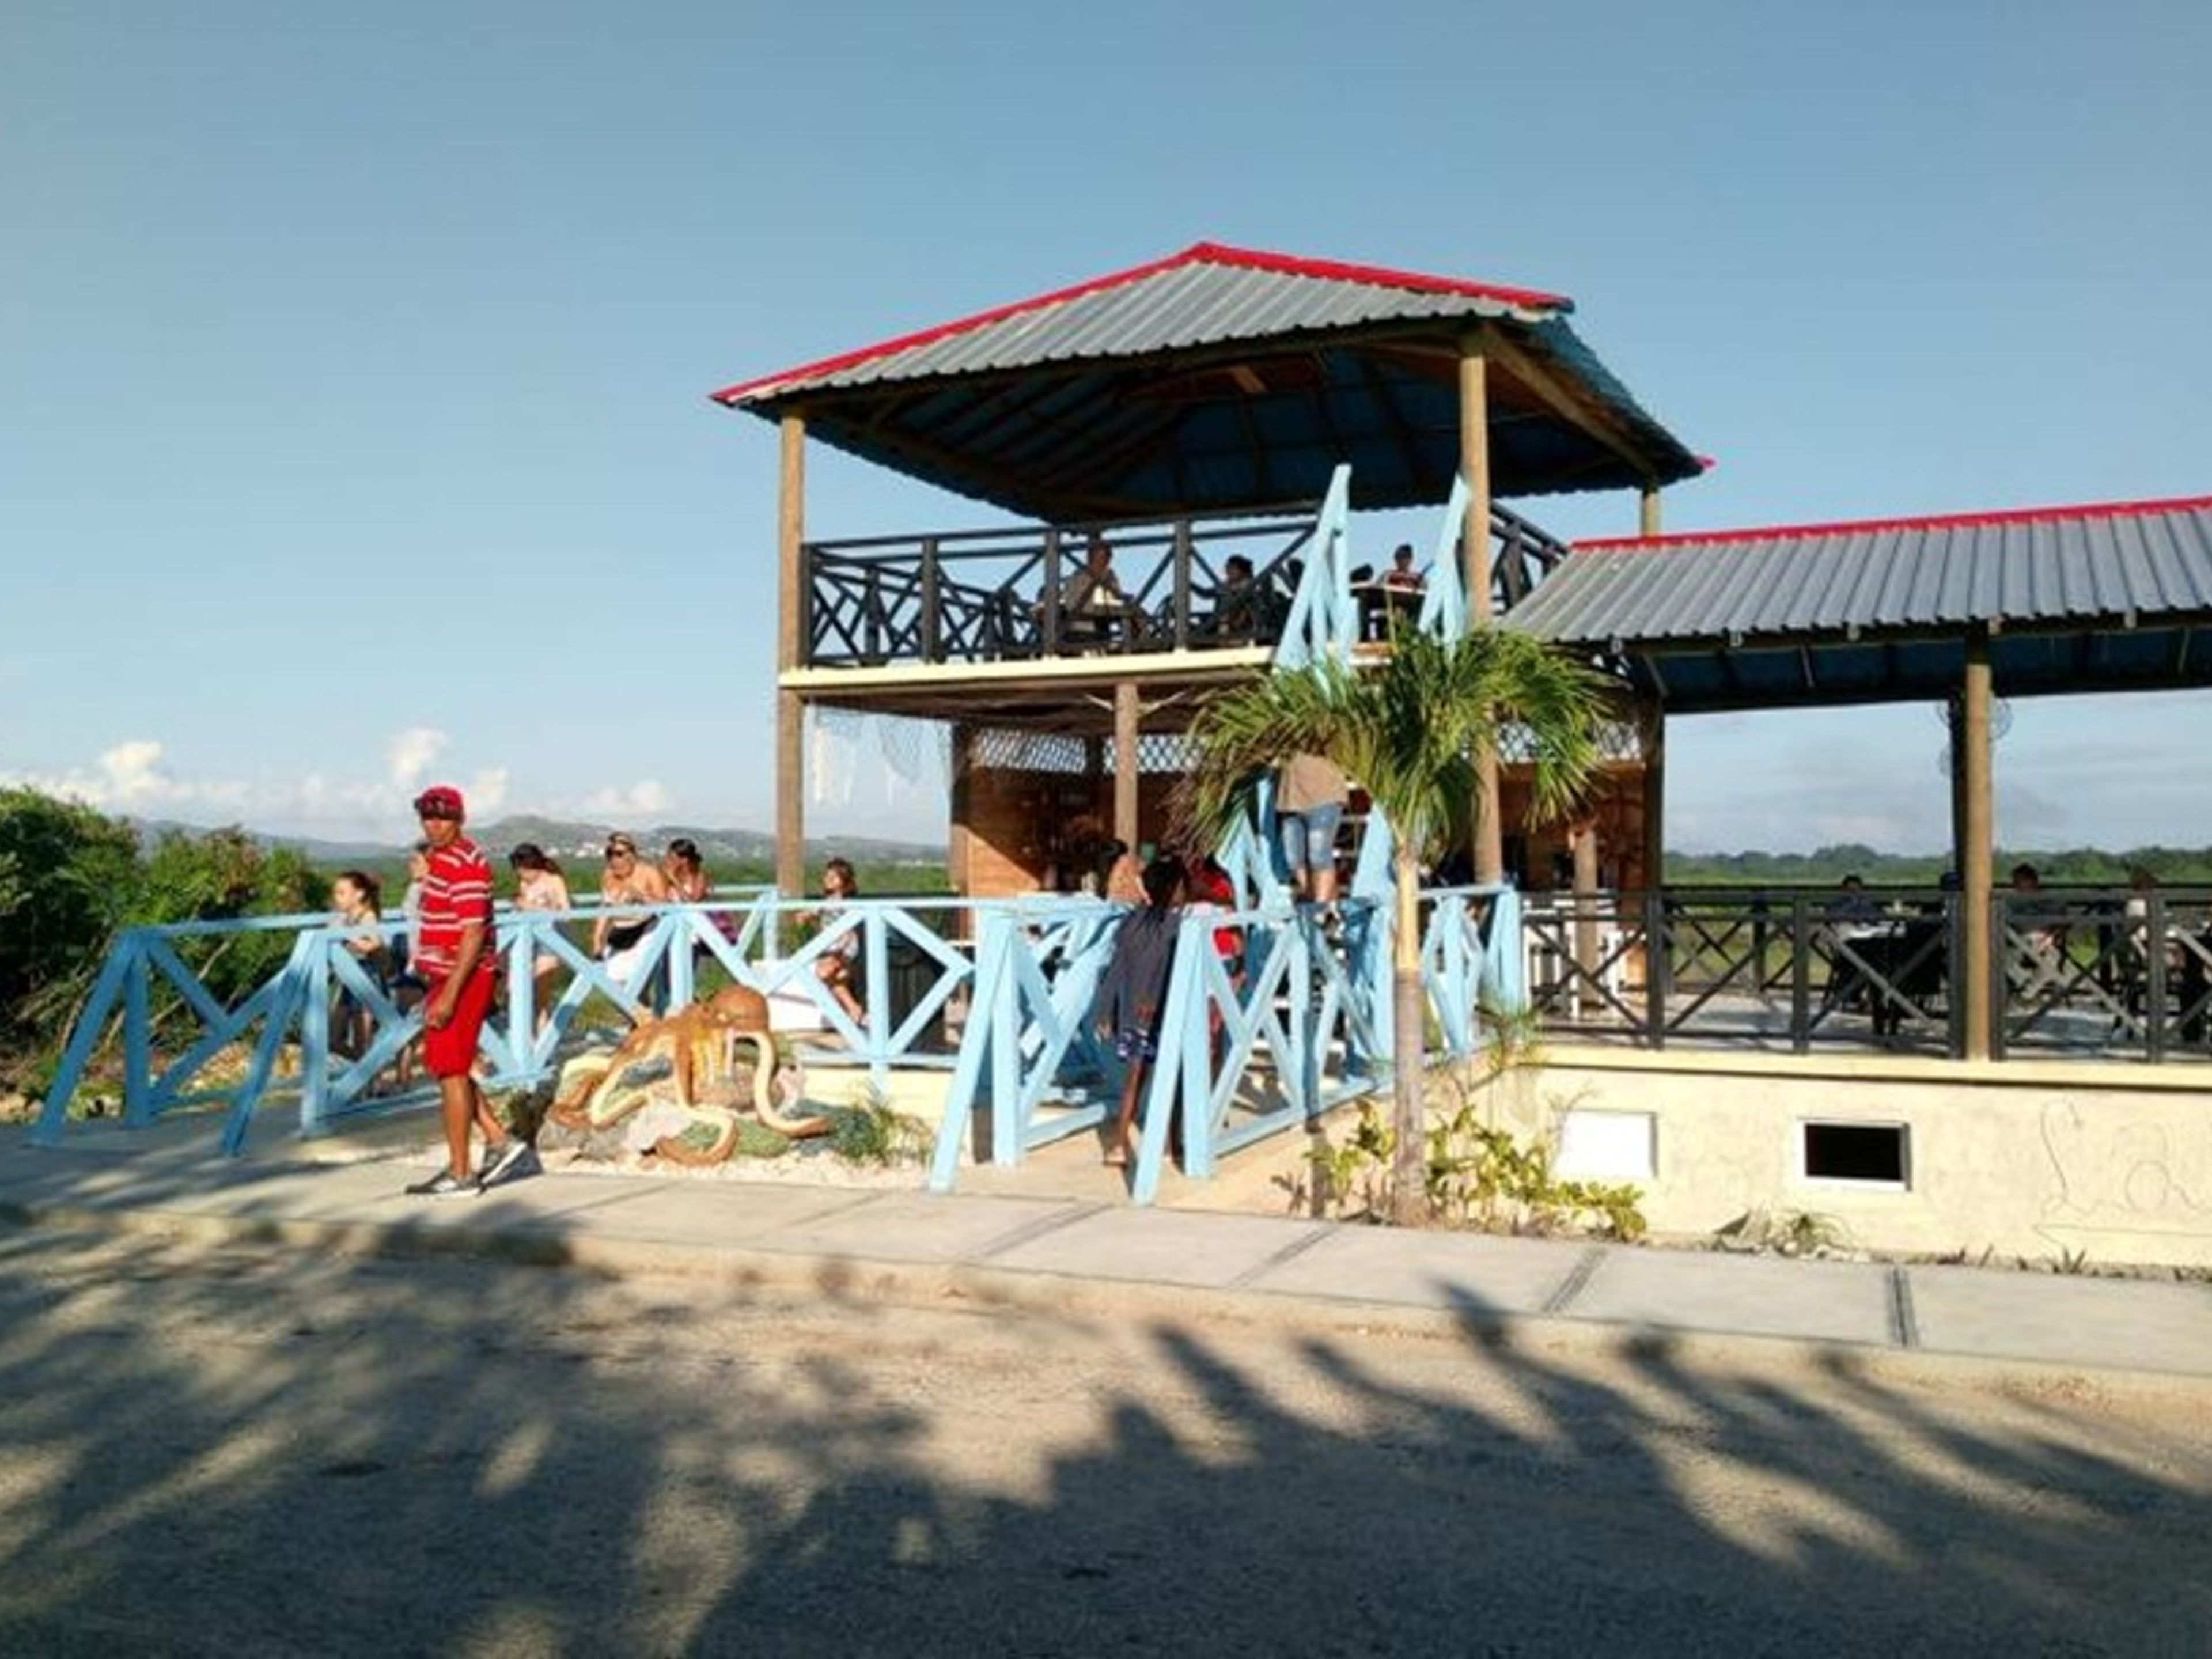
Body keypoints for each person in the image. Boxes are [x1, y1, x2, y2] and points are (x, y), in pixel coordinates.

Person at [403, 786, 535, 1198]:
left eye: (443, 818)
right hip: (444, 975)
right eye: (428, 817)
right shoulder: (439, 861)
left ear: (460, 820)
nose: (434, 824)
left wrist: (449, 994)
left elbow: (473, 933)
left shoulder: (464, 863)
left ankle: (461, 1174)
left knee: (452, 1073)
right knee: (449, 1066)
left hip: (463, 977)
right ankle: (499, 1140)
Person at [1091, 855, 1185, 1169]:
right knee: (1168, 1080)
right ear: (1171, 890)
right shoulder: (1176, 926)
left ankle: (1119, 1144)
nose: (1183, 894)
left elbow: (1116, 969)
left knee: (1135, 1080)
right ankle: (1170, 1144)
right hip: (1161, 1013)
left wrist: (1105, 1009)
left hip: (1133, 1012)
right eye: (1180, 888)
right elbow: (1165, 970)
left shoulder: (1131, 922)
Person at [593, 831, 672, 1003]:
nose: (615, 859)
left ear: (632, 855)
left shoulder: (649, 873)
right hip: (619, 930)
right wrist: (597, 941)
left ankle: (642, 1022)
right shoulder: (608, 875)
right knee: (611, 982)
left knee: (638, 980)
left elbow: (665, 905)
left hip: (646, 928)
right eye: (610, 854)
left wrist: (641, 896)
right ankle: (639, 1017)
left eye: (620, 854)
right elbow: (604, 909)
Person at [509, 843, 570, 1034]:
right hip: (528, 941)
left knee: (540, 993)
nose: (521, 875)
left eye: (524, 870)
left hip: (550, 941)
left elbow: (566, 912)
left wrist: (533, 908)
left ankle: (542, 1040)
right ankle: (530, 1038)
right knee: (520, 990)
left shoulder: (554, 880)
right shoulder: (525, 884)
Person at [329, 870, 389, 1060]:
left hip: (366, 978)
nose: (337, 898)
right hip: (348, 979)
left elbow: (375, 943)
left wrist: (347, 936)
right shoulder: (344, 918)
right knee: (333, 1040)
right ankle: (367, 1073)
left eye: (342, 893)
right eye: (335, 893)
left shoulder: (367, 915)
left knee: (362, 1037)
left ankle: (368, 1080)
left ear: (359, 894)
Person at [1277, 752, 1349, 906]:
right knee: (1294, 860)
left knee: (1319, 856)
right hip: (1291, 799)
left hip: (1324, 794)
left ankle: (1320, 910)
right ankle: (1322, 908)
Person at [812, 857, 865, 1024]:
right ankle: (853, 1012)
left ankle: (853, 1010)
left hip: (841, 946)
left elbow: (848, 927)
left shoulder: (841, 902)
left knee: (824, 973)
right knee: (837, 981)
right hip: (832, 946)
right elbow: (816, 915)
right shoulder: (829, 901)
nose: (828, 880)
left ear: (844, 882)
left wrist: (841, 947)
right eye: (827, 876)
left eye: (833, 878)